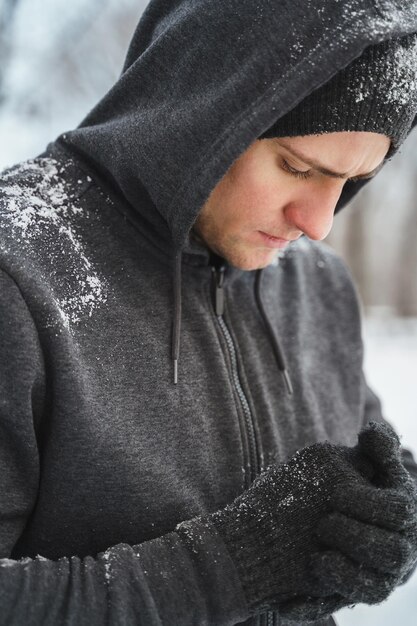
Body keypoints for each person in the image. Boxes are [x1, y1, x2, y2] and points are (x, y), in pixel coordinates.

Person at [1, 1, 417, 624]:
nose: (320, 224)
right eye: (298, 168)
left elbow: (370, 461)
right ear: (200, 111)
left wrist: (388, 518)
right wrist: (233, 566)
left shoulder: (317, 282)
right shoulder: (20, 273)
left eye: (351, 180)